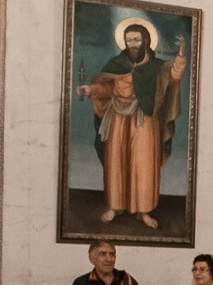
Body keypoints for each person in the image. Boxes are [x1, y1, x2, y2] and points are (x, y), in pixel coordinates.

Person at [78, 17, 186, 229]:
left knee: (143, 164)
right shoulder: (116, 65)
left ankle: (143, 211)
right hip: (118, 118)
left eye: (136, 40)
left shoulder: (156, 66)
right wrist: (91, 90)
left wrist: (181, 54)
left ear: (145, 40)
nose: (133, 44)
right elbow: (108, 88)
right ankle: (115, 206)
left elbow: (173, 76)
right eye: (129, 40)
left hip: (145, 119)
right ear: (124, 42)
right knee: (116, 161)